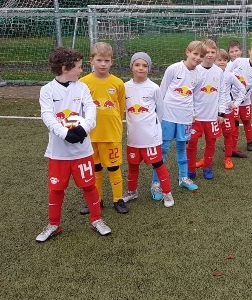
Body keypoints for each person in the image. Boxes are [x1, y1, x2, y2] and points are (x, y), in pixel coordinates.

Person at [36, 46, 112, 242]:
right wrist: (65, 134)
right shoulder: (47, 90)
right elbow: (47, 115)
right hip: (58, 152)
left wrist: (84, 129)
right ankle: (53, 224)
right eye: (78, 67)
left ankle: (96, 220)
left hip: (82, 151)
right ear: (65, 68)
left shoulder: (82, 87)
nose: (80, 70)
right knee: (56, 189)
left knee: (89, 186)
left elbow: (91, 110)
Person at [79, 42, 127, 215]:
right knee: (95, 168)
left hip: (111, 134)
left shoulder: (118, 83)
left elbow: (120, 108)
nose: (103, 64)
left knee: (114, 167)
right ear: (91, 60)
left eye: (106, 60)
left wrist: (115, 125)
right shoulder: (83, 83)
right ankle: (96, 200)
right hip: (90, 135)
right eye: (99, 60)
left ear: (111, 61)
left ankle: (118, 199)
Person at [152, 40, 207, 192]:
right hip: (168, 115)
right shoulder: (174, 68)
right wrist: (157, 113)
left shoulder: (199, 74)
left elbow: (195, 96)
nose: (198, 58)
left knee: (182, 147)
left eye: (201, 56)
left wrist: (193, 113)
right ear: (187, 52)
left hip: (185, 117)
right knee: (163, 149)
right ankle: (156, 183)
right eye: (195, 54)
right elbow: (162, 91)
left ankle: (183, 177)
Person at [122, 52, 174, 207]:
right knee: (132, 166)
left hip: (150, 138)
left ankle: (167, 193)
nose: (141, 68)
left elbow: (160, 111)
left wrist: (152, 127)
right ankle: (132, 191)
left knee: (158, 164)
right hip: (133, 138)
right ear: (131, 67)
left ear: (149, 68)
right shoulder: (124, 87)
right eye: (137, 65)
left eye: (145, 65)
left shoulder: (154, 88)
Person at [187, 39, 224, 180]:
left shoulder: (219, 72)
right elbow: (189, 93)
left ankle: (207, 167)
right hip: (196, 117)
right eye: (207, 52)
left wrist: (221, 112)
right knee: (192, 143)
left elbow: (223, 93)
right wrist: (191, 112)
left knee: (211, 143)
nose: (209, 55)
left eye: (212, 52)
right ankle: (190, 169)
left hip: (212, 116)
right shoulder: (195, 71)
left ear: (216, 53)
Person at [225, 40, 252, 153]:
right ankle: (231, 146)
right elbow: (226, 73)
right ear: (249, 51)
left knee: (246, 121)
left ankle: (249, 141)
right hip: (232, 101)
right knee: (234, 123)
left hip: (245, 101)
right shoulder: (239, 61)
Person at [210, 48, 246, 170]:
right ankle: (207, 159)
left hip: (227, 112)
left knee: (228, 135)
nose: (222, 62)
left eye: (225, 60)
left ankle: (227, 158)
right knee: (211, 137)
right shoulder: (209, 74)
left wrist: (236, 103)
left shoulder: (230, 75)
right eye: (219, 60)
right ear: (214, 61)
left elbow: (242, 89)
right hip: (213, 112)